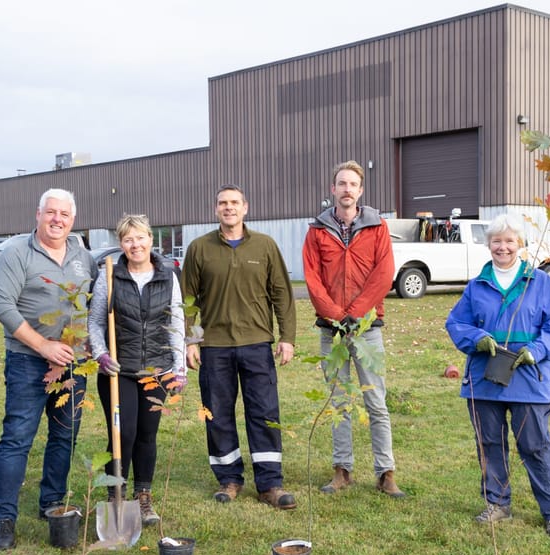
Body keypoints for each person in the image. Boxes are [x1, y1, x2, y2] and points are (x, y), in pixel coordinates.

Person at [444, 212, 550, 536]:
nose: (503, 247)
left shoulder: (540, 283)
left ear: (521, 244)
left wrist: (537, 350)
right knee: (489, 443)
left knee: (535, 446)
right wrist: (477, 339)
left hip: (529, 379)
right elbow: (456, 323)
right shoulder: (477, 287)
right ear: (489, 245)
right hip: (485, 378)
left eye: (510, 241)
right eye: (496, 241)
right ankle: (497, 503)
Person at [0, 188, 98, 550]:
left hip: (73, 364)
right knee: (18, 437)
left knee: (64, 435)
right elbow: (3, 306)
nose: (57, 220)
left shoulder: (84, 257)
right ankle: (4, 519)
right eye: (51, 212)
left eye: (64, 214)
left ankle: (52, 502)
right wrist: (43, 345)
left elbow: (95, 302)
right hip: (27, 360)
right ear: (38, 214)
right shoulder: (17, 253)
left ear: (73, 219)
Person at [180, 185, 298, 509]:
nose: (228, 207)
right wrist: (191, 340)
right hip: (214, 346)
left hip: (257, 343)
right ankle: (229, 479)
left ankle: (270, 484)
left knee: (264, 412)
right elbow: (188, 300)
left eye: (234, 202)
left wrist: (287, 337)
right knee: (218, 414)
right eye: (223, 203)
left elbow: (282, 294)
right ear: (216, 209)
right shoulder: (199, 248)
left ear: (245, 207)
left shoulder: (265, 245)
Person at [302, 160, 404, 498]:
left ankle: (385, 472)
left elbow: (383, 273)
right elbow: (312, 278)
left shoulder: (377, 227)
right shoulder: (317, 231)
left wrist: (357, 314)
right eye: (342, 183)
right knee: (339, 401)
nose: (347, 189)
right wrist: (335, 315)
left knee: (376, 401)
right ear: (333, 189)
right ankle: (341, 469)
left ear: (360, 191)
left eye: (353, 184)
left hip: (367, 329)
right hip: (331, 330)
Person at [87, 214, 185, 527]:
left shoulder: (167, 276)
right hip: (119, 371)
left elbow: (176, 322)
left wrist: (179, 367)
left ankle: (143, 497)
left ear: (151, 240)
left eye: (140, 237)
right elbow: (95, 322)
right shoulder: (109, 275)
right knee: (123, 433)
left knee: (147, 434)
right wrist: (101, 354)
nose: (135, 244)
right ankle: (115, 494)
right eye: (128, 239)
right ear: (121, 243)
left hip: (156, 370)